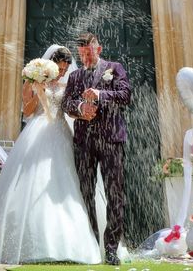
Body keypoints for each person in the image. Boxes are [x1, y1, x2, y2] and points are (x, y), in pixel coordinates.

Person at [0, 46, 101, 264]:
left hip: (61, 133)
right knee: (33, 181)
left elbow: (69, 107)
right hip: (37, 133)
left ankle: (67, 242)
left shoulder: (69, 83)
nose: (62, 72)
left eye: (65, 69)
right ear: (50, 66)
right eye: (60, 69)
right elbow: (28, 111)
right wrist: (39, 89)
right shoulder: (32, 82)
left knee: (64, 184)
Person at [62, 33, 132, 266]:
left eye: (89, 51)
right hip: (83, 143)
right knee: (85, 194)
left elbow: (125, 96)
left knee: (115, 194)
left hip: (112, 140)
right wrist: (81, 108)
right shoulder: (74, 76)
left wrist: (101, 94)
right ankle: (91, 243)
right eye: (82, 53)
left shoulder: (115, 68)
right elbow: (66, 104)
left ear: (98, 49)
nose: (86, 56)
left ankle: (111, 248)